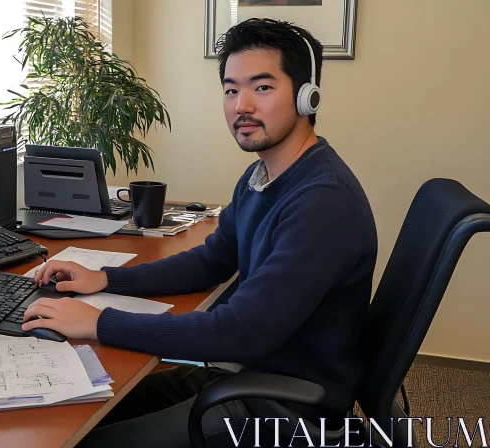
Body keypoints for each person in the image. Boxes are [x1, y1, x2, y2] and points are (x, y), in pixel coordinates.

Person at [22, 18, 378, 447]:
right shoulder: (262, 175)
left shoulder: (322, 201)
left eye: (262, 87)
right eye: (231, 90)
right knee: (83, 410)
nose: (241, 105)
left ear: (306, 97)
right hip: (255, 380)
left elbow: (240, 331)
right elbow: (212, 260)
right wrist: (107, 279)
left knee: (87, 441)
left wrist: (99, 322)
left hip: (285, 409)